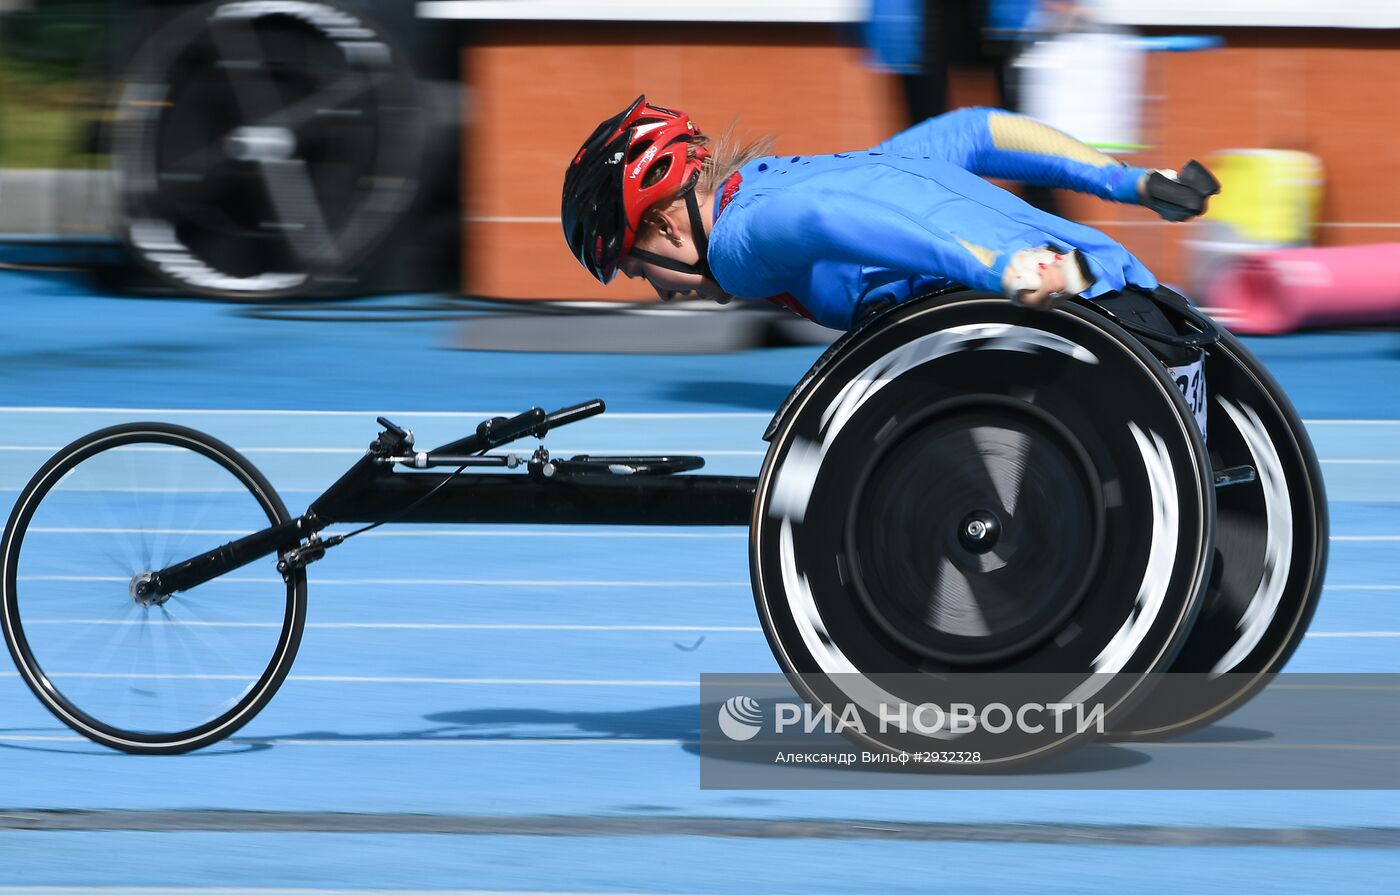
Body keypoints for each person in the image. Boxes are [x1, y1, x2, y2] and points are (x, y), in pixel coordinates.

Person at [561, 97, 1218, 434]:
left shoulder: (739, 246)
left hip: (1082, 318)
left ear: (667, 226)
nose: (660, 290)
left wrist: (1006, 269)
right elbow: (975, 131)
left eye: (640, 269)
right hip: (1136, 297)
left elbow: (826, 217)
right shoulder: (840, 173)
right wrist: (1128, 183)